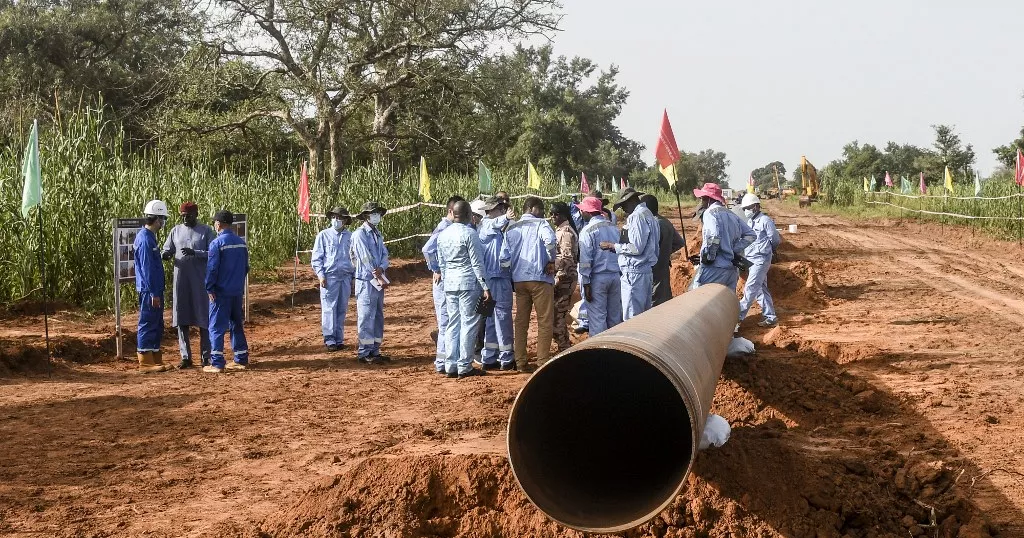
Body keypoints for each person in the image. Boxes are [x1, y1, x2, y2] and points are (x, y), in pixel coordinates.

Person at [501, 196, 556, 373]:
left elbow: (504, 257)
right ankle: (542, 362)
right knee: (544, 321)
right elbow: (550, 242)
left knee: (521, 322)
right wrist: (551, 260)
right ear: (532, 208)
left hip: (519, 281)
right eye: (541, 209)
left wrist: (511, 272)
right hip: (540, 278)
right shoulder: (541, 225)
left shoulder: (512, 227)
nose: (543, 213)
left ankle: (521, 362)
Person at [437, 201, 492, 378]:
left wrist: (446, 282)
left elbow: (442, 264)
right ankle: (464, 365)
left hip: (450, 284)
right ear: (468, 214)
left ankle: (450, 364)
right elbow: (477, 263)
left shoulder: (443, 235)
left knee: (453, 323)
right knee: (469, 323)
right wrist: (485, 286)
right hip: (468, 283)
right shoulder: (470, 233)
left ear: (453, 213)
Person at [161, 201, 216, 369]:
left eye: (189, 216)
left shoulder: (206, 231)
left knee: (203, 319)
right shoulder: (175, 231)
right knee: (181, 318)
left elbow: (214, 253)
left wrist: (196, 253)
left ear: (196, 215)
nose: (185, 219)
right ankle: (185, 357)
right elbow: (167, 248)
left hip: (200, 282)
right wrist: (166, 254)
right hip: (181, 282)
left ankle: (205, 356)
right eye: (183, 216)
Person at [602, 188, 660, 320]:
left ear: (631, 200)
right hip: (644, 271)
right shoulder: (648, 215)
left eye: (623, 205)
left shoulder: (637, 216)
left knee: (632, 318)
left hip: (634, 273)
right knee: (643, 317)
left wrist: (613, 246)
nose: (623, 209)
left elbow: (636, 248)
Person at [204, 210, 250, 373]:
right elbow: (246, 268)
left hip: (221, 293)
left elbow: (212, 268)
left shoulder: (217, 244)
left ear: (218, 224)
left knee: (216, 327)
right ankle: (241, 358)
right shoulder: (241, 243)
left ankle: (216, 362)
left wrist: (209, 287)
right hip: (236, 292)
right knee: (236, 324)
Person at [423, 196, 465, 372]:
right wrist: (436, 268)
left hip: (452, 280)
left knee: (452, 321)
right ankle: (442, 362)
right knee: (446, 322)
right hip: (443, 282)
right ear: (450, 211)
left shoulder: (454, 228)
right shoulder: (443, 228)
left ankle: (448, 359)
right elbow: (427, 249)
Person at [691, 183, 756, 291]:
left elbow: (714, 236)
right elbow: (751, 235)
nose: (701, 202)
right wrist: (733, 249)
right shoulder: (731, 214)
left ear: (708, 199)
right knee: (726, 305)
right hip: (731, 270)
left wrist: (710, 257)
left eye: (702, 199)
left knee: (703, 302)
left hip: (714, 268)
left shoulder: (709, 213)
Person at [134, 200, 172, 373]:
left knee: (157, 323)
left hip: (154, 289)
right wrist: (154, 292)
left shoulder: (149, 237)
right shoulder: (145, 239)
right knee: (148, 322)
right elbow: (148, 269)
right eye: (162, 219)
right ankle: (145, 361)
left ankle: (155, 356)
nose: (163, 222)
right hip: (150, 290)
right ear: (157, 219)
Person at [311, 206, 355, 352]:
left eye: (339, 218)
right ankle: (330, 339)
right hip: (330, 278)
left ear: (345, 221)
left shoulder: (351, 236)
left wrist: (354, 276)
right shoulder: (323, 235)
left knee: (342, 308)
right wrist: (321, 275)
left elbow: (355, 258)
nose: (336, 220)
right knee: (329, 308)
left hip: (345, 277)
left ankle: (339, 338)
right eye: (334, 217)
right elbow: (316, 258)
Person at [576, 196, 622, 335]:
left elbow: (585, 260)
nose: (581, 213)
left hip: (597, 279)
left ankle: (599, 353)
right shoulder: (613, 228)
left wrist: (586, 283)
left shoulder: (588, 231)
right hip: (615, 276)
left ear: (588, 212)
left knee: (597, 319)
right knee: (614, 317)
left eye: (582, 210)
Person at [351, 201, 390, 364]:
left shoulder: (377, 234)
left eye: (377, 213)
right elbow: (364, 257)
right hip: (366, 280)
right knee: (366, 316)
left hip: (378, 280)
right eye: (373, 213)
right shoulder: (359, 234)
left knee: (377, 316)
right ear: (366, 216)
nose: (376, 216)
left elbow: (385, 254)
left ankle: (375, 349)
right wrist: (376, 272)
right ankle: (364, 351)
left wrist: (382, 267)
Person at [478, 196, 514, 371]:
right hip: (497, 279)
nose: (503, 211)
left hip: (490, 279)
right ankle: (506, 358)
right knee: (502, 318)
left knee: (491, 318)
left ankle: (489, 357)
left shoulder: (494, 228)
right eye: (501, 209)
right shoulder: (488, 225)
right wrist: (506, 218)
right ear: (493, 211)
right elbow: (495, 224)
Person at [738, 194, 781, 327]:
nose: (746, 211)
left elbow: (775, 239)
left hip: (761, 258)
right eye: (744, 208)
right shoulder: (750, 222)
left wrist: (769, 250)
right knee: (760, 289)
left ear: (756, 206)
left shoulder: (765, 221)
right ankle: (770, 317)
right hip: (751, 258)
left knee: (750, 287)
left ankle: (737, 316)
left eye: (748, 208)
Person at [640, 195, 686, 307]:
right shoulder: (665, 222)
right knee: (664, 303)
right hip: (663, 270)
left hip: (652, 272)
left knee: (652, 304)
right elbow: (679, 242)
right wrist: (665, 253)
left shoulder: (652, 225)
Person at [550, 202, 579, 352]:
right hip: (564, 278)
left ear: (562, 215)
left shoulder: (566, 232)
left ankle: (564, 346)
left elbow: (567, 258)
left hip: (565, 279)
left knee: (557, 315)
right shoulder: (561, 230)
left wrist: (558, 279)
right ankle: (564, 344)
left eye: (555, 214)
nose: (552, 217)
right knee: (557, 314)